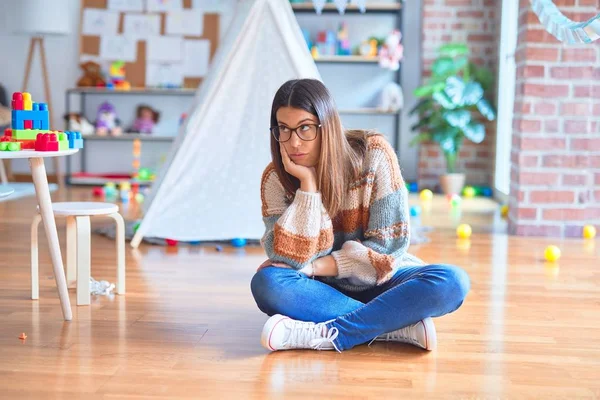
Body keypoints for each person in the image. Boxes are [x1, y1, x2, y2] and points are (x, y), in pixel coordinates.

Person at [251, 79, 470, 352]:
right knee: (267, 284)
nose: (294, 142)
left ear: (326, 125)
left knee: (451, 282)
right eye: (284, 129)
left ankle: (330, 332)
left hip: (383, 281)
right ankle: (398, 325)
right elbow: (285, 260)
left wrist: (317, 267)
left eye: (305, 127)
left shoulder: (374, 154)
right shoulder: (275, 178)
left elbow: (388, 251)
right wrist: (307, 189)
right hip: (320, 292)